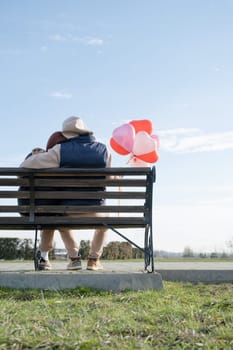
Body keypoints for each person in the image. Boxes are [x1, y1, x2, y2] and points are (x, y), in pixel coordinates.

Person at [20, 116, 111, 271]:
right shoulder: (103, 150)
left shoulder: (60, 150)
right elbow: (109, 178)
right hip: (97, 211)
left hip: (68, 210)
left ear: (67, 134)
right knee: (104, 224)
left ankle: (74, 258)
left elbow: (25, 166)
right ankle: (94, 260)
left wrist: (40, 155)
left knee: (60, 219)